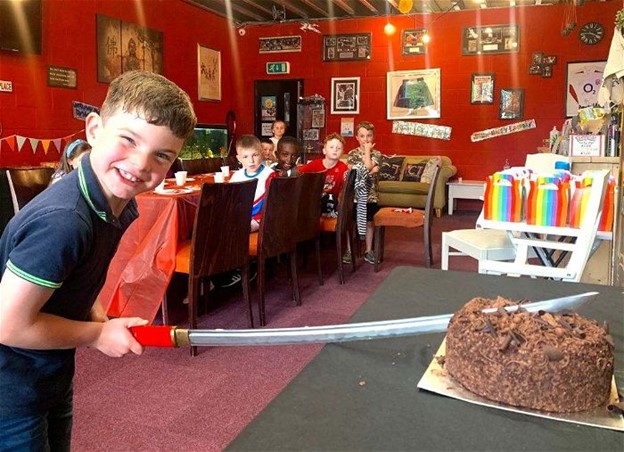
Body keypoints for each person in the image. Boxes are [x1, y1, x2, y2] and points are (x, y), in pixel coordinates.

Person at [0, 70, 197, 450]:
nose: (141, 165)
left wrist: (99, 317)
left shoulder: (117, 204)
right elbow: (7, 325)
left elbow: (76, 276)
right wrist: (99, 335)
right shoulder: (64, 222)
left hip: (47, 372)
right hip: (11, 390)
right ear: (93, 130)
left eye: (161, 155)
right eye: (128, 140)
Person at [220, 135, 276, 288]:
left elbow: (271, 206)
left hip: (259, 219)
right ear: (239, 158)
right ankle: (222, 270)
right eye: (246, 157)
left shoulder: (270, 175)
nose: (251, 161)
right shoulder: (237, 176)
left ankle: (241, 268)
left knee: (232, 231)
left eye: (255, 155)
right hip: (241, 218)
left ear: (262, 153)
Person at [344, 121, 381, 265]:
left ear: (373, 137)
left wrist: (367, 154)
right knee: (351, 223)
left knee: (369, 223)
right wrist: (369, 170)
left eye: (369, 136)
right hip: (354, 196)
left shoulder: (377, 154)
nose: (366, 139)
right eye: (362, 136)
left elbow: (366, 168)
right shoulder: (352, 154)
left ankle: (368, 250)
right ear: (357, 137)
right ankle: (349, 250)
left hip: (370, 196)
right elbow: (362, 169)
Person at [299, 132, 348, 216]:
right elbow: (298, 174)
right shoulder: (314, 164)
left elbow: (346, 188)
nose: (335, 150)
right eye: (331, 147)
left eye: (338, 148)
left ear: (342, 152)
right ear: (324, 150)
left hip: (331, 203)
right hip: (313, 200)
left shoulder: (343, 168)